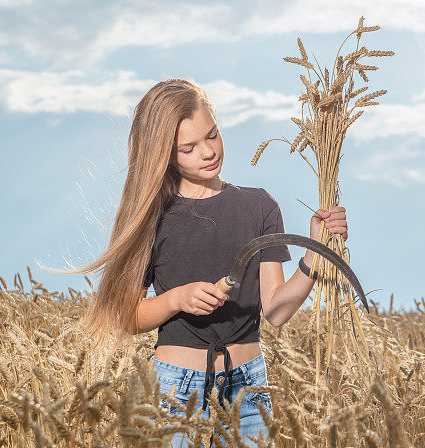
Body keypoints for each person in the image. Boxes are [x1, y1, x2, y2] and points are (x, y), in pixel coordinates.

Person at [78, 79, 348, 447]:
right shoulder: (151, 218)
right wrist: (176, 299)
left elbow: (277, 311)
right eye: (188, 148)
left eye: (213, 135)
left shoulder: (260, 206)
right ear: (164, 155)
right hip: (177, 392)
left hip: (249, 389)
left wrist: (315, 248)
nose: (207, 152)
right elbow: (128, 317)